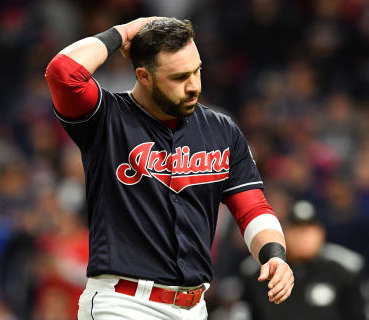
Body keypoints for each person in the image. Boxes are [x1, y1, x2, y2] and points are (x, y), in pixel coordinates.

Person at [44, 17, 293, 320]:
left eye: (197, 70)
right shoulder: (106, 119)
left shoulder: (222, 130)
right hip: (123, 304)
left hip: (194, 307)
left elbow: (252, 209)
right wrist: (123, 33)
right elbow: (62, 72)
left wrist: (274, 255)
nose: (194, 86)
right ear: (144, 76)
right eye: (178, 77)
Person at [240, 200, 366, 320]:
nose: (303, 237)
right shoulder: (262, 272)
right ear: (284, 233)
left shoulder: (342, 273)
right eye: (297, 229)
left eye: (309, 230)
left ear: (321, 233)